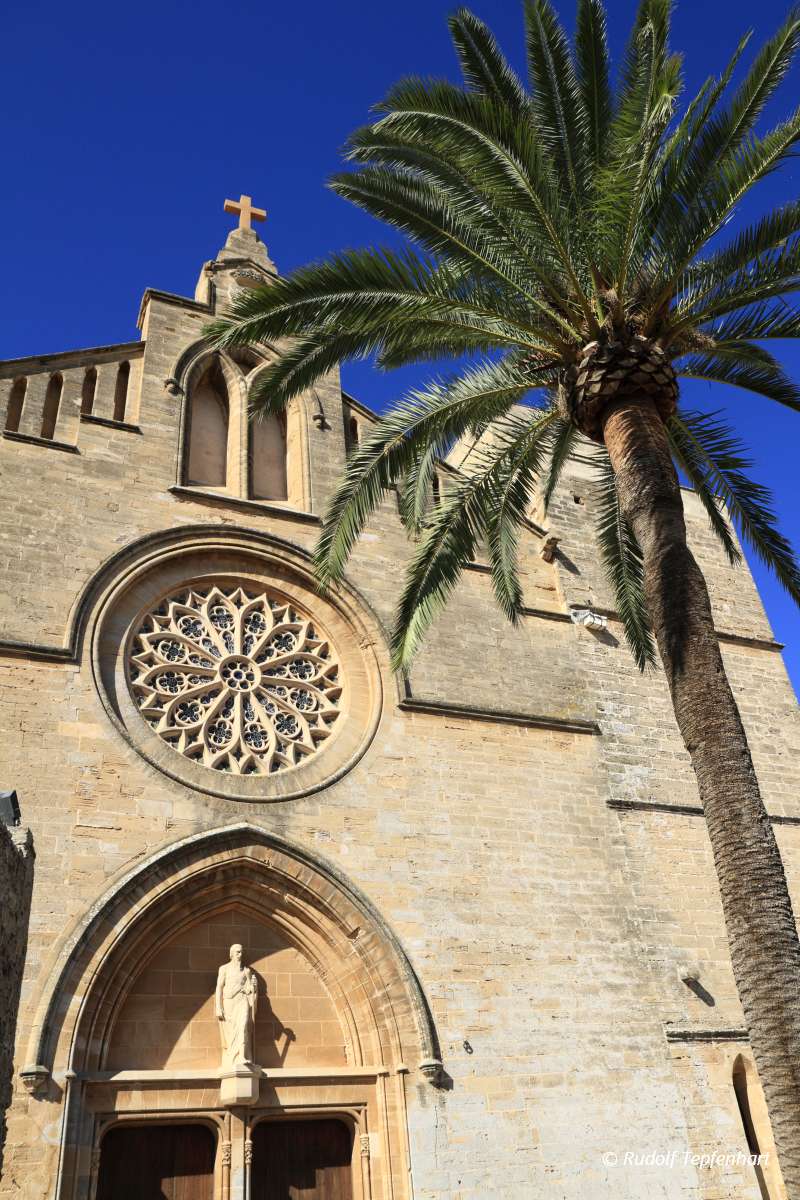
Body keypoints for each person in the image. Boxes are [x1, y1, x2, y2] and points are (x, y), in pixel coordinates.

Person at [215, 943, 258, 1068]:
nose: (240, 954)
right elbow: (219, 987)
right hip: (229, 1002)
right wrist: (218, 1006)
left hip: (242, 1000)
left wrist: (254, 986)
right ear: (231, 954)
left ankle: (242, 1056)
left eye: (241, 952)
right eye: (237, 952)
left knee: (242, 1026)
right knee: (231, 1031)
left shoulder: (246, 971)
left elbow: (250, 989)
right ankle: (232, 1057)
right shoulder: (224, 969)